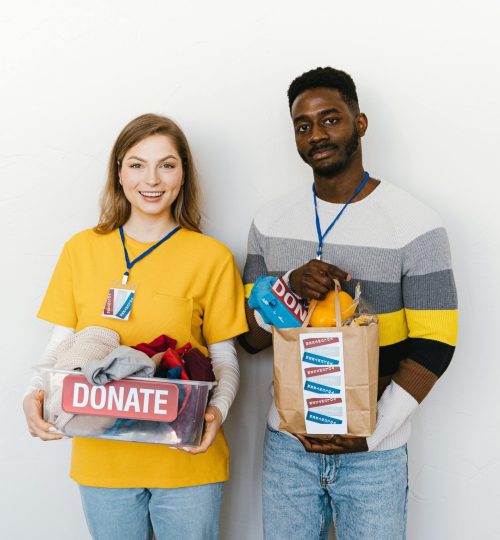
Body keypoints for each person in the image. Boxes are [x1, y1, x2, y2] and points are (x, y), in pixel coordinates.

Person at [239, 67, 458, 539]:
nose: (317, 134)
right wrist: (286, 291)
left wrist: (371, 435)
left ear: (360, 123)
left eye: (330, 119)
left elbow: (436, 345)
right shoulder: (270, 220)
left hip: (374, 455)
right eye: (303, 125)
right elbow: (250, 340)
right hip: (288, 443)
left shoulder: (414, 223)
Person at [23, 113, 248, 540]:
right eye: (137, 164)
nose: (153, 179)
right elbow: (61, 344)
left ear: (183, 174)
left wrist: (216, 413)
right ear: (119, 172)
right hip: (102, 459)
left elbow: (224, 359)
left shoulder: (212, 257)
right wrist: (30, 394)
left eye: (167, 164)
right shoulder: (81, 249)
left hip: (187, 457)